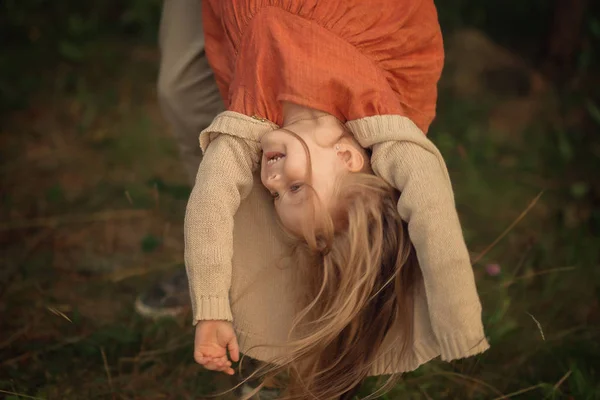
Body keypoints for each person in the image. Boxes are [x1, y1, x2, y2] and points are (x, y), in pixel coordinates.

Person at [186, 1, 490, 399]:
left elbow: (210, 202)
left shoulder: (249, 126)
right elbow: (431, 213)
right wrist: (459, 319)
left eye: (275, 196)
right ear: (347, 157)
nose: (272, 179)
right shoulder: (380, 123)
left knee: (180, 93)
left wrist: (210, 308)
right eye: (294, 188)